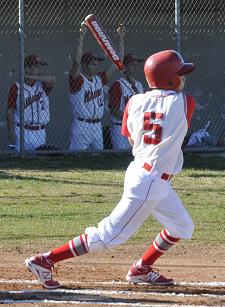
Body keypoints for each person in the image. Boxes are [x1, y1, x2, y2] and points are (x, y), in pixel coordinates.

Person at [25, 49, 196, 289]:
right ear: (169, 78)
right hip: (149, 182)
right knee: (108, 236)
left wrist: (148, 101)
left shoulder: (136, 101)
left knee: (182, 225)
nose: (184, 78)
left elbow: (129, 137)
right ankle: (45, 260)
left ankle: (141, 269)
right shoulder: (185, 101)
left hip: (145, 173)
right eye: (180, 73)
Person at [69, 23, 125, 151]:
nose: (97, 65)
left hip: (97, 126)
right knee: (76, 158)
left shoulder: (99, 78)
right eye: (93, 64)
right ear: (84, 65)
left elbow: (118, 62)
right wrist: (81, 37)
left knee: (98, 158)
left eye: (97, 63)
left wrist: (121, 38)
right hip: (81, 125)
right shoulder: (78, 80)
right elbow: (76, 62)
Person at [6, 54, 56, 152]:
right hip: (22, 130)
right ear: (27, 68)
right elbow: (10, 110)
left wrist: (30, 76)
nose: (39, 69)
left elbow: (53, 80)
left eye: (40, 67)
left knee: (38, 161)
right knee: (21, 161)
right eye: (36, 66)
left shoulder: (42, 85)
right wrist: (10, 130)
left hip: (40, 131)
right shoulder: (16, 87)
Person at [109, 53, 145, 150]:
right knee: (121, 156)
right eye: (132, 65)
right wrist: (131, 119)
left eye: (136, 65)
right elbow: (114, 110)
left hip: (136, 128)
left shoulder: (139, 85)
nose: (135, 67)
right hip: (120, 128)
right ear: (124, 66)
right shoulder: (118, 84)